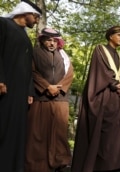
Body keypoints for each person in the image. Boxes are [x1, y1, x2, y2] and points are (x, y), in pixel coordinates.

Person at [71, 26, 120, 172]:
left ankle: (117, 163)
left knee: (117, 132)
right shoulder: (100, 50)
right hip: (106, 97)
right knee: (106, 132)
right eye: (119, 35)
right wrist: (116, 85)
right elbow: (102, 72)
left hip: (118, 98)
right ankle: (103, 166)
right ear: (110, 36)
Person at [0, 0, 42, 171]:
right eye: (36, 17)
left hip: (20, 93)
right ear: (26, 12)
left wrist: (29, 91)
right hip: (4, 88)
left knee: (15, 133)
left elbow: (27, 67)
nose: (37, 21)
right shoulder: (3, 24)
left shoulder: (25, 36)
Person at [24, 28, 74, 172]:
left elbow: (70, 74)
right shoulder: (35, 53)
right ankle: (37, 165)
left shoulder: (64, 56)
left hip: (60, 100)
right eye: (48, 40)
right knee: (37, 133)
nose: (51, 43)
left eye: (54, 40)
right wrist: (47, 87)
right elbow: (32, 72)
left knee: (59, 134)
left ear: (58, 42)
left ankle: (59, 163)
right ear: (42, 40)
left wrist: (59, 88)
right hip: (41, 99)